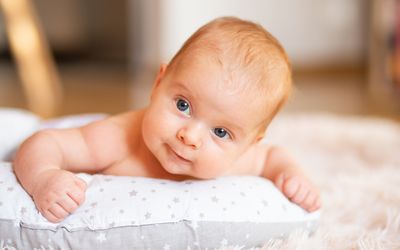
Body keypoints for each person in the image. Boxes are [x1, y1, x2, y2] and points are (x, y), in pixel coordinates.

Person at [13, 17, 321, 223]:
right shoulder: (118, 139)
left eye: (220, 132)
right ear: (158, 83)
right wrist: (44, 177)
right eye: (184, 105)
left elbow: (273, 157)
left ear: (247, 144)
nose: (190, 136)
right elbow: (45, 141)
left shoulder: (239, 159)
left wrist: (291, 174)